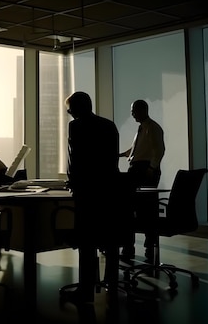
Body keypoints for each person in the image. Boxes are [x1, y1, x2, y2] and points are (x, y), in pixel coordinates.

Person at [65, 91, 122, 303]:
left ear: (76, 109)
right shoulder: (109, 125)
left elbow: (75, 159)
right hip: (110, 188)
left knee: (87, 242)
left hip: (87, 190)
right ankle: (112, 285)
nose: (69, 114)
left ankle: (86, 290)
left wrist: (72, 182)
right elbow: (112, 160)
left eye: (70, 110)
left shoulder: (77, 126)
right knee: (110, 238)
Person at [118, 99, 165, 263]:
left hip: (143, 170)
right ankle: (143, 245)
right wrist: (123, 155)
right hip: (138, 169)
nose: (132, 114)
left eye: (134, 111)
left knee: (137, 208)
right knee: (141, 208)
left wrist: (151, 169)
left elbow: (159, 150)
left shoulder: (152, 128)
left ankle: (132, 246)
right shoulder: (142, 128)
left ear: (142, 110)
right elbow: (137, 149)